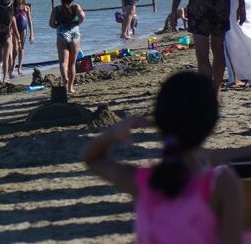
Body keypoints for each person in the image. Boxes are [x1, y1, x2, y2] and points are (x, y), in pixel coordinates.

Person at [83, 71, 242, 244]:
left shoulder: (145, 181)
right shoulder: (221, 183)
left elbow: (92, 158)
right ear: (211, 128)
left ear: (159, 122)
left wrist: (114, 133)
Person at [49, 0, 85, 94]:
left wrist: (57, 26)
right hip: (74, 34)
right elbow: (82, 16)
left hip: (62, 34)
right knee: (72, 63)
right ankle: (70, 87)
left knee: (63, 62)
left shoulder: (57, 9)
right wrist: (77, 23)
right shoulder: (75, 7)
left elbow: (51, 24)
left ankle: (64, 80)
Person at [12, 0, 34, 76]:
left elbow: (30, 21)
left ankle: (20, 68)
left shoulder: (26, 8)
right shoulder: (13, 7)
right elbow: (11, 19)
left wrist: (32, 34)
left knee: (21, 48)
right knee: (15, 48)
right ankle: (13, 66)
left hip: (23, 29)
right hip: (15, 29)